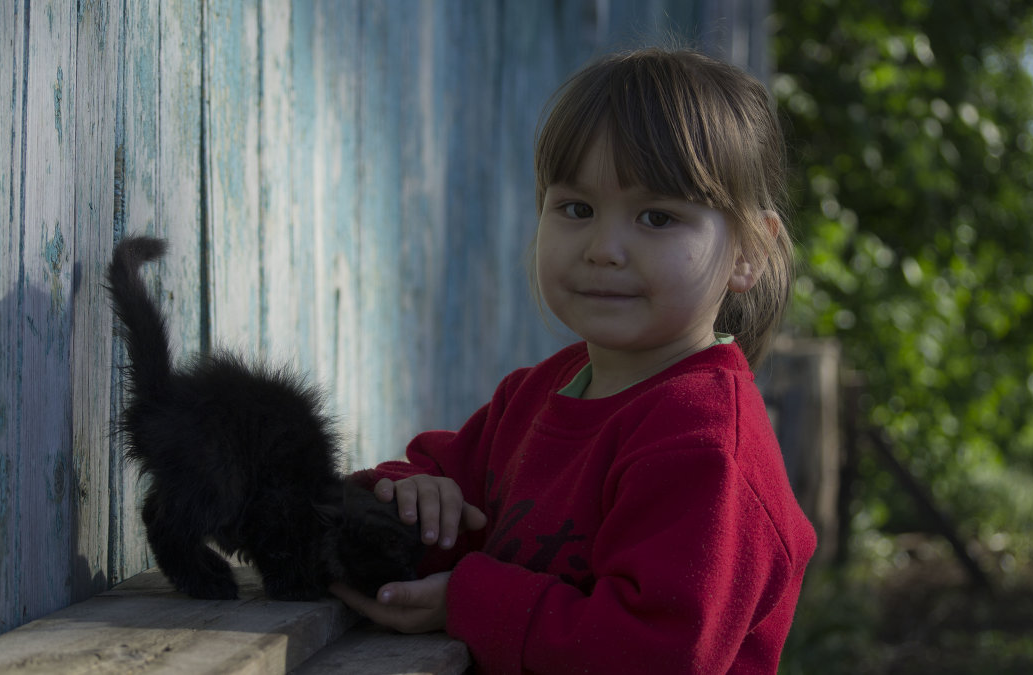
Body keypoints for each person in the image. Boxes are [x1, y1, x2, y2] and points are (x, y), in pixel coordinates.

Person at [331, 47, 817, 674]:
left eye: (657, 217)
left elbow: (652, 657)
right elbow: (432, 488)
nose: (604, 248)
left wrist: (467, 601)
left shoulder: (707, 445)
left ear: (749, 253)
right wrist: (412, 495)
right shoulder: (537, 395)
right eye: (577, 209)